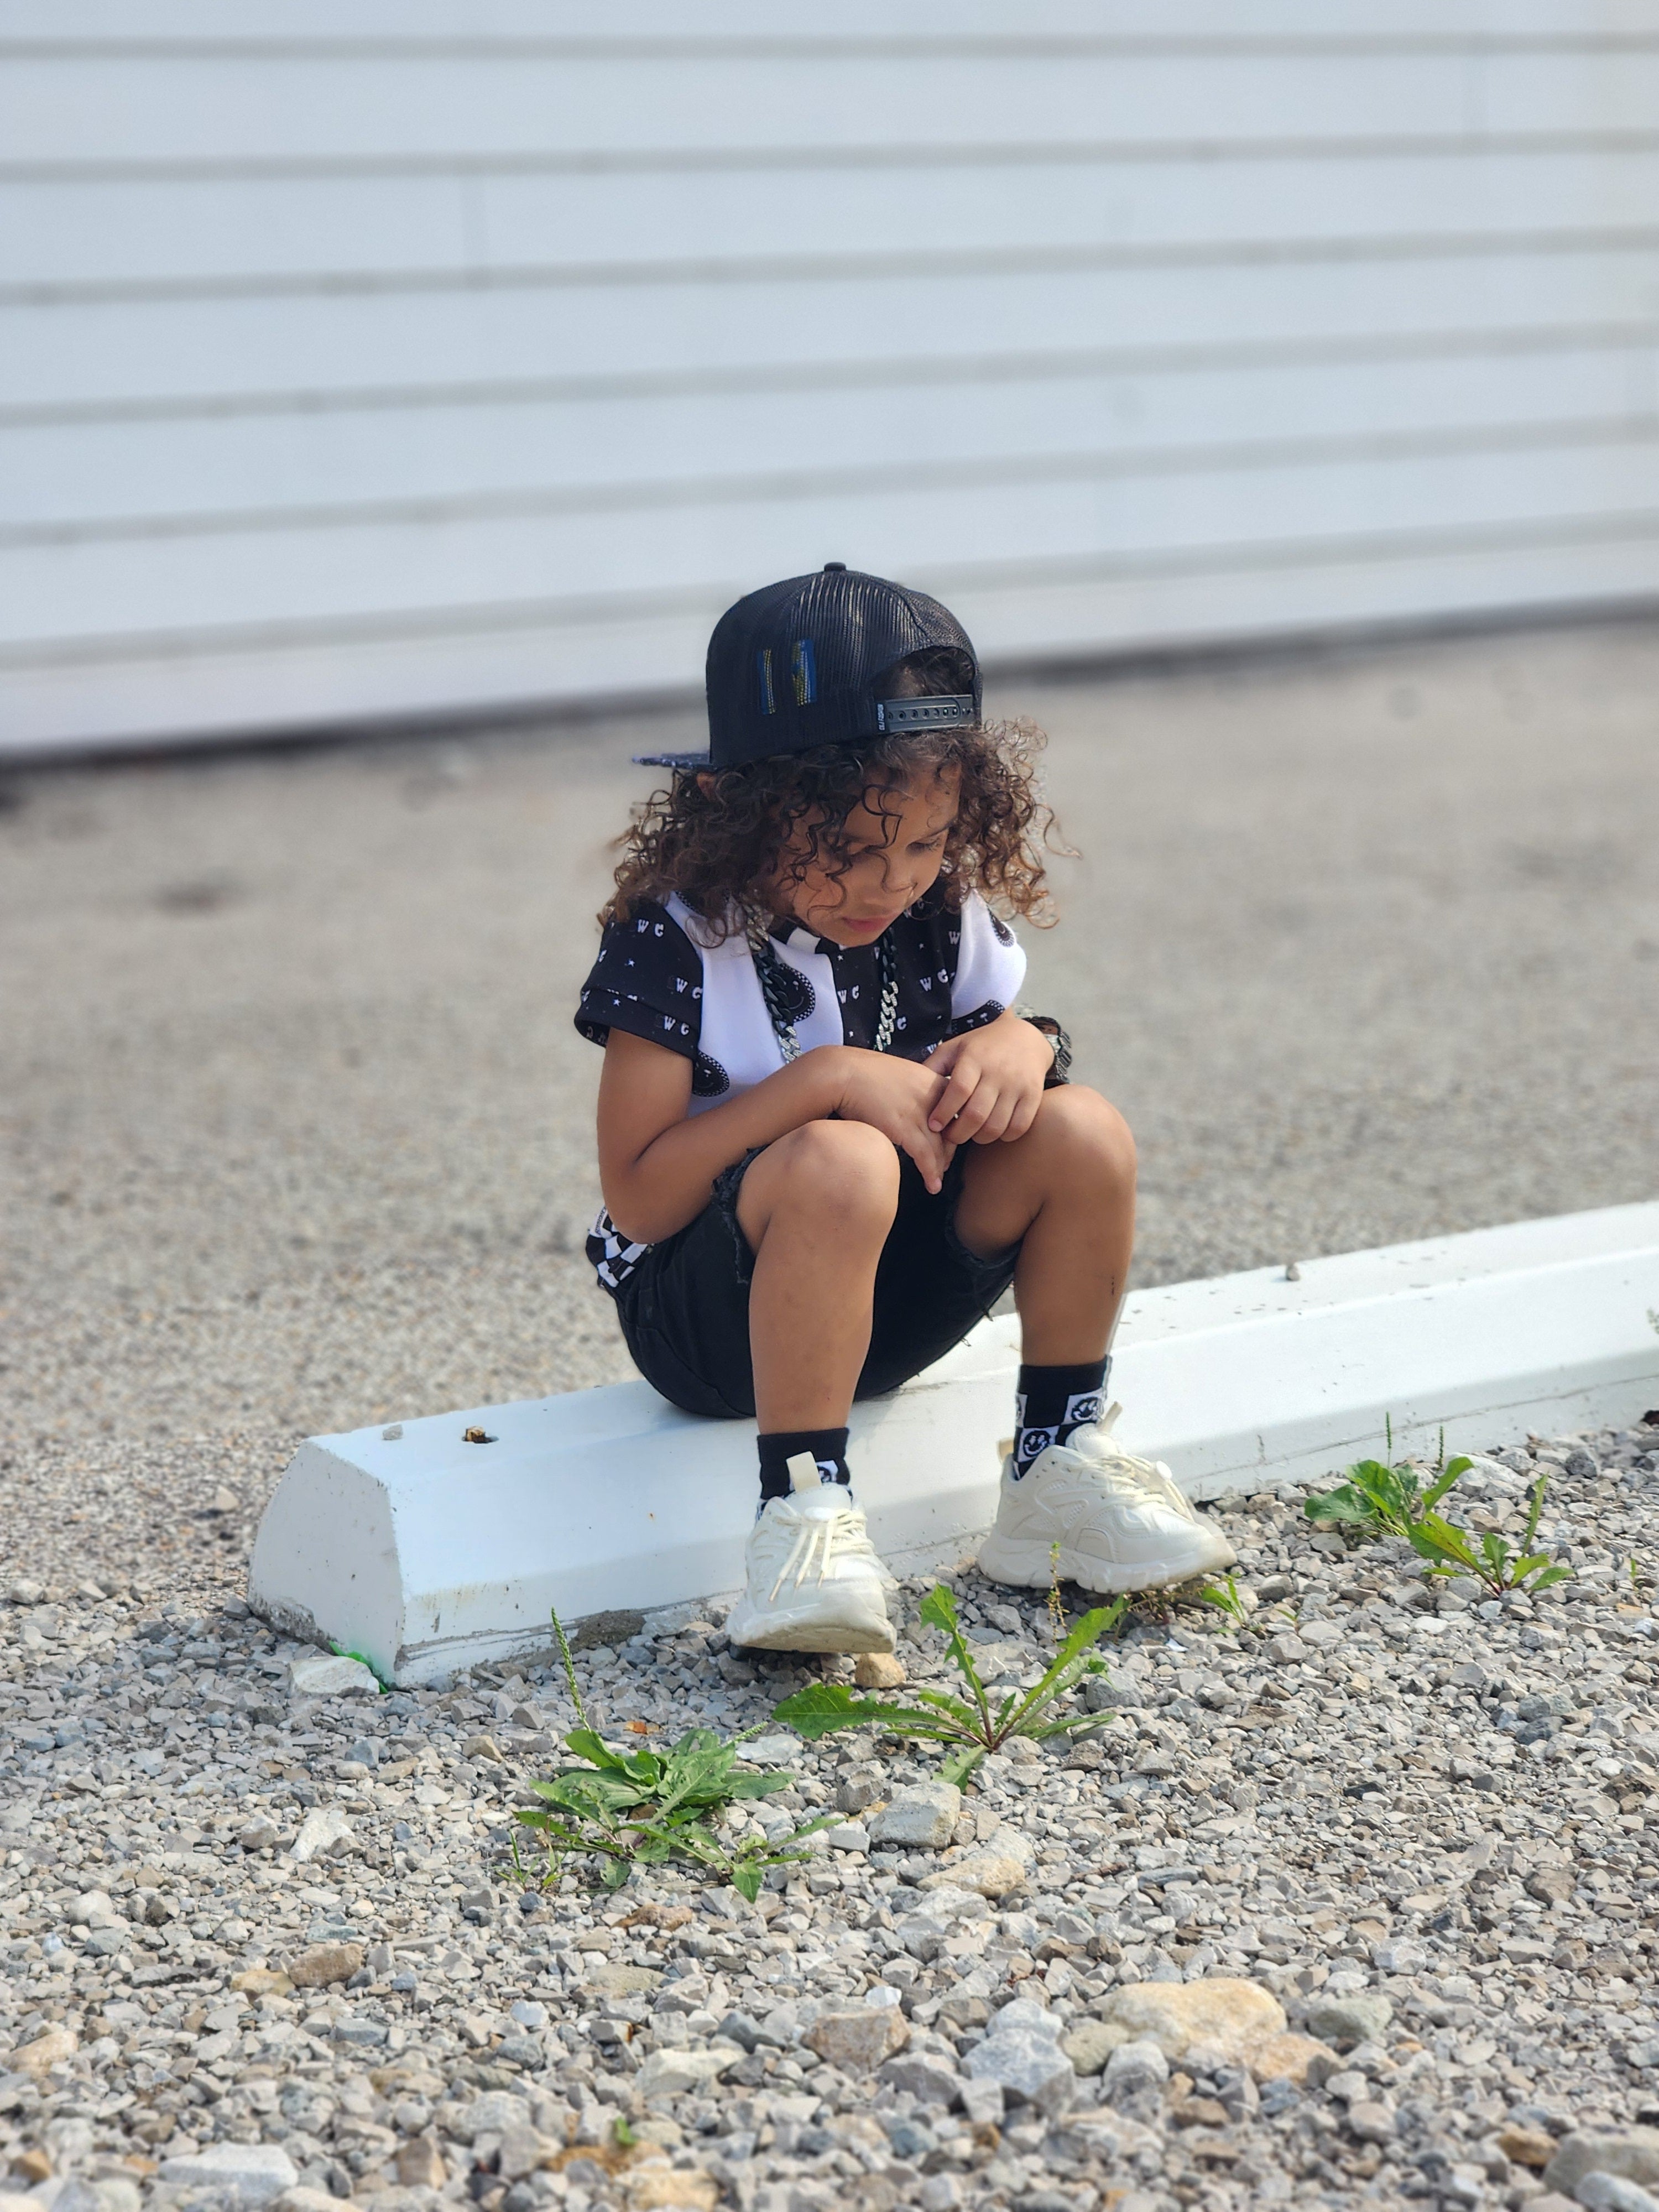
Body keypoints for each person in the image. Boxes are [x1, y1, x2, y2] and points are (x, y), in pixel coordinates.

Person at [575, 564, 1233, 1653]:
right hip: (709, 1324)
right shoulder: (676, 940)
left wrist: (1028, 1042)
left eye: (924, 844)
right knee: (843, 1158)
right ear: (733, 810)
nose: (890, 881)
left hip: (882, 1303)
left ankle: (1054, 1474)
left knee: (1081, 1128)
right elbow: (638, 1203)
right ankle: (803, 1514)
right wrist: (823, 1079)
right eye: (849, 851)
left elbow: (1006, 1073)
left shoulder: (934, 912)